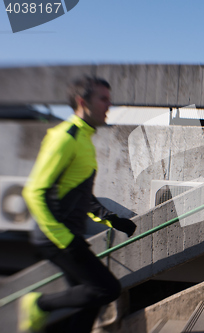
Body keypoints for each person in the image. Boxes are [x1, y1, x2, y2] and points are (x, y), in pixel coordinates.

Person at [19, 76, 137, 332]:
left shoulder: (84, 139)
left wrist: (111, 219)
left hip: (67, 234)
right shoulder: (65, 137)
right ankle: (39, 304)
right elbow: (34, 191)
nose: (109, 105)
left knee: (89, 299)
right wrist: (63, 237)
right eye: (103, 99)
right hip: (55, 237)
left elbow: (82, 194)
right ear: (83, 102)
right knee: (106, 289)